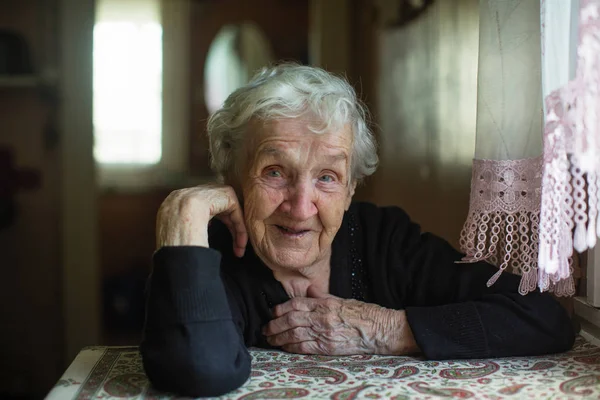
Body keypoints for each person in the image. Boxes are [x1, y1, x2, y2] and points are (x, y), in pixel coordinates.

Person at [141, 63, 575, 397]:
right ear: (231, 176)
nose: (300, 205)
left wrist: (389, 329)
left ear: (350, 190)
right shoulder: (208, 257)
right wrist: (185, 213)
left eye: (327, 177)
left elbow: (543, 317)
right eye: (274, 172)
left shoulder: (383, 240)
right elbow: (199, 368)